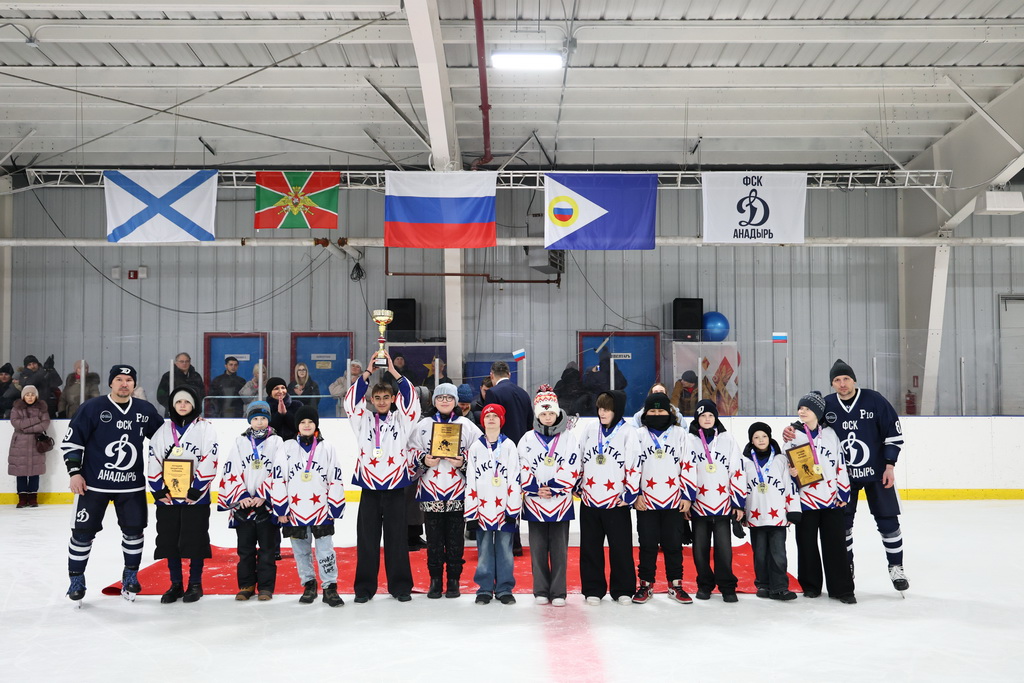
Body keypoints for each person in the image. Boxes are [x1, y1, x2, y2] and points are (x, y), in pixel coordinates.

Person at [62, 365, 165, 605]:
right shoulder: (92, 407)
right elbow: (73, 442)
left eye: (129, 380)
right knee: (82, 533)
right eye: (119, 379)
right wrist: (74, 473)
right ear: (111, 383)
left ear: (134, 384)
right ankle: (76, 579)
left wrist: (191, 423)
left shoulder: (144, 410)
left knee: (134, 532)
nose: (124, 384)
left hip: (131, 487)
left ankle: (130, 575)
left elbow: (165, 439)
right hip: (93, 485)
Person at [344, 349, 420, 603]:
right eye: (377, 398)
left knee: (397, 540)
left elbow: (412, 400)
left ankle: (401, 587)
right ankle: (364, 588)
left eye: (386, 397)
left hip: (396, 487)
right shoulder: (363, 420)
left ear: (393, 399)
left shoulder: (402, 420)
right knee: (367, 540)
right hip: (369, 487)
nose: (382, 401)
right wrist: (368, 371)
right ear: (371, 399)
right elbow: (350, 402)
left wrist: (393, 371)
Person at [829, 359, 909, 593]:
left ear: (854, 380)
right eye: (837, 380)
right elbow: (810, 427)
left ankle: (896, 567)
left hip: (877, 473)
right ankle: (847, 567)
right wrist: (793, 429)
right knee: (842, 525)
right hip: (843, 477)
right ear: (832, 384)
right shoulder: (828, 404)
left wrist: (890, 465)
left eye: (846, 378)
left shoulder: (874, 400)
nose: (842, 384)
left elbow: (893, 434)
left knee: (888, 521)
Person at [146, 385, 219, 603]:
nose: (183, 405)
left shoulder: (206, 429)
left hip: (195, 498)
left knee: (195, 540)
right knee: (170, 540)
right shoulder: (162, 430)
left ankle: (195, 583)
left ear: (194, 405)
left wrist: (197, 489)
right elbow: (153, 459)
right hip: (168, 498)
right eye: (178, 402)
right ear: (172, 405)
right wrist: (158, 490)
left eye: (187, 402)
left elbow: (210, 458)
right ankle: (176, 583)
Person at [409, 383, 482, 599]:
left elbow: (480, 453)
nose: (444, 401)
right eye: (440, 397)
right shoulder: (423, 425)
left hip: (457, 491)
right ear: (434, 401)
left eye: (449, 398)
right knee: (433, 540)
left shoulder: (466, 426)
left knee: (455, 539)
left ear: (455, 401)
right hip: (431, 490)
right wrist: (423, 460)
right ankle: (435, 580)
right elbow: (410, 450)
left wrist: (463, 461)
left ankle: (453, 580)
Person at [783, 391, 856, 604]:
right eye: (800, 408)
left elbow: (840, 464)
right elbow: (784, 466)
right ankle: (810, 586)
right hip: (805, 500)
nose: (801, 412)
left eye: (807, 408)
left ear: (818, 412)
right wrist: (791, 474)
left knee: (835, 545)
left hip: (831, 500)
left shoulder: (831, 434)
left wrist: (843, 492)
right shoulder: (792, 435)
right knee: (806, 545)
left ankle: (842, 589)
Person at [271, 406, 346, 607]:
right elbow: (278, 477)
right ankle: (309, 584)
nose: (306, 425)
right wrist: (281, 508)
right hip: (294, 511)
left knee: (326, 550)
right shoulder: (287, 447)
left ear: (316, 425)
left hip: (321, 510)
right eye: (302, 422)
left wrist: (334, 506)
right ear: (297, 426)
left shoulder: (327, 447)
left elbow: (335, 477)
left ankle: (330, 587)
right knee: (301, 551)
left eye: (310, 422)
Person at [576, 390, 641, 605]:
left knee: (620, 548)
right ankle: (593, 589)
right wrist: (578, 483)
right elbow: (579, 456)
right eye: (600, 409)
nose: (602, 413)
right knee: (590, 547)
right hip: (590, 500)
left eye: (607, 409)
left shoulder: (628, 432)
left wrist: (630, 493)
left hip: (616, 501)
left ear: (617, 410)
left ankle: (623, 589)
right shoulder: (590, 428)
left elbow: (634, 463)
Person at [518, 385, 579, 607]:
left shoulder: (569, 438)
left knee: (560, 551)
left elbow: (573, 465)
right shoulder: (527, 438)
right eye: (543, 413)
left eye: (551, 413)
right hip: (535, 503)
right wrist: (534, 487)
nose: (547, 417)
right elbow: (521, 465)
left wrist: (553, 487)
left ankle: (559, 592)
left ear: (557, 413)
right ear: (537, 415)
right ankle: (541, 590)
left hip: (560, 502)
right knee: (538, 550)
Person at [218, 400, 285, 601]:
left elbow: (280, 470)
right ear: (249, 420)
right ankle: (246, 585)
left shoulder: (277, 442)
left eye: (263, 418)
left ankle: (265, 587)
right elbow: (231, 469)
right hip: (244, 506)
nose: (260, 422)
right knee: (245, 550)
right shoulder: (240, 442)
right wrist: (242, 496)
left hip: (266, 505)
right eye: (255, 418)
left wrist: (264, 494)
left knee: (267, 550)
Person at [631, 392, 693, 605]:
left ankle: (675, 585)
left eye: (661, 410)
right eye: (653, 411)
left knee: (673, 545)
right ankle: (645, 584)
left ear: (669, 412)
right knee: (647, 544)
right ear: (645, 413)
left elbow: (688, 464)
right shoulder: (638, 435)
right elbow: (632, 466)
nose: (657, 414)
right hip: (646, 501)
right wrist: (635, 494)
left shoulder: (680, 434)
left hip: (674, 500)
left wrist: (687, 495)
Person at [682, 399, 745, 602]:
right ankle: (705, 585)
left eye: (711, 415)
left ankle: (727, 587)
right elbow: (685, 470)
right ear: (697, 419)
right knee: (700, 550)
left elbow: (737, 470)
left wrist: (738, 503)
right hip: (699, 505)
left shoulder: (727, 439)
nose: (707, 419)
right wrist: (687, 499)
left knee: (724, 550)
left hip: (722, 505)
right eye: (703, 416)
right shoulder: (689, 440)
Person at [465, 404, 521, 605]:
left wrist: (512, 510)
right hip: (483, 508)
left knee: (505, 550)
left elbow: (515, 478)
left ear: (501, 420)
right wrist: (471, 513)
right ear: (482, 421)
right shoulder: (476, 447)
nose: (490, 419)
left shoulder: (509, 446)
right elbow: (470, 481)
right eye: (487, 416)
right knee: (485, 549)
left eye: (495, 416)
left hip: (504, 508)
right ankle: (485, 588)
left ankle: (505, 588)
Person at [740, 422, 800, 601]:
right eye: (756, 437)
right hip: (755, 516)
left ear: (769, 437)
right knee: (759, 555)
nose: (761, 440)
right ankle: (763, 585)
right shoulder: (745, 462)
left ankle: (780, 587)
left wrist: (793, 510)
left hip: (777, 517)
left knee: (778, 554)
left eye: (764, 436)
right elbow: (740, 488)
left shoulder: (780, 460)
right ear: (751, 440)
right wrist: (740, 513)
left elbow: (789, 485)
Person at [483, 361, 533, 555]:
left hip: (501, 450)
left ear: (492, 375)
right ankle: (515, 542)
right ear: (509, 374)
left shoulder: (493, 393)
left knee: (499, 494)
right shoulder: (523, 393)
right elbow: (529, 424)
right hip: (521, 450)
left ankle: (505, 542)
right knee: (514, 494)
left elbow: (490, 423)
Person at [8, 385, 51, 508]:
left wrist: (26, 428)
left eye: (32, 395)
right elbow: (16, 423)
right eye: (27, 395)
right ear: (23, 396)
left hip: (36, 443)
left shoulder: (42, 409)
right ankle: (22, 498)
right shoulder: (16, 408)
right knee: (20, 471)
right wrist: (35, 420)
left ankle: (32, 498)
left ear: (36, 396)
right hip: (19, 444)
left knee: (34, 471)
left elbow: (45, 424)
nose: (30, 397)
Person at [156, 353, 206, 418]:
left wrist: (196, 407)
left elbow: (202, 394)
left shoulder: (196, 376)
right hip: (173, 414)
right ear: (176, 363)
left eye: (187, 361)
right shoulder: (168, 376)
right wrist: (172, 407)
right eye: (182, 361)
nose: (184, 363)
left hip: (193, 413)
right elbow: (161, 395)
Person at [266, 376, 301, 442]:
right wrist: (279, 415)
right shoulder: (265, 408)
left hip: (293, 445)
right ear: (270, 392)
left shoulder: (297, 405)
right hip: (273, 445)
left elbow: (299, 428)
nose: (280, 391)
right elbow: (268, 431)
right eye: (276, 388)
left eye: (283, 388)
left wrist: (286, 414)